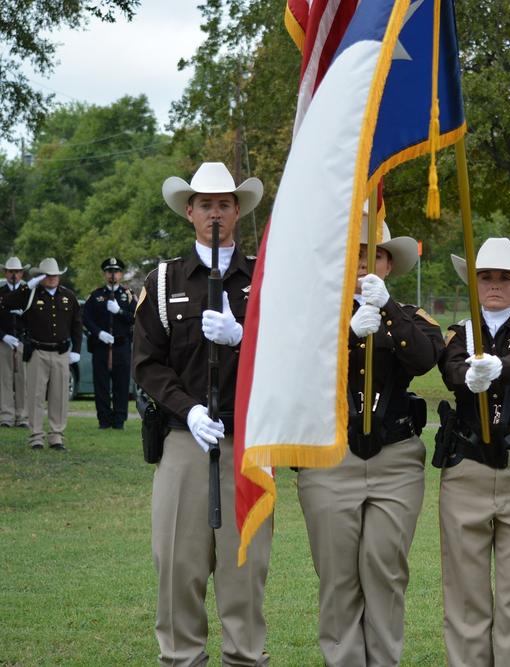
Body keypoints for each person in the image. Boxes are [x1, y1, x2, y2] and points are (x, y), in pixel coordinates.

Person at [132, 162, 272, 666]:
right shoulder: (163, 279)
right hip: (184, 441)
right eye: (205, 204)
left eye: (224, 204)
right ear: (189, 211)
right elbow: (147, 364)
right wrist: (188, 410)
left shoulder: (265, 277)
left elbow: (288, 354)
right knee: (177, 566)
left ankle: (245, 659)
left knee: (245, 571)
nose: (215, 213)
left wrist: (244, 338)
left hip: (247, 443)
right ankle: (181, 658)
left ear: (238, 211)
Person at [296, 212, 443, 667]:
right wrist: (344, 330)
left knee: (385, 569)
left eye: (372, 254)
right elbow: (299, 367)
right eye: (354, 254)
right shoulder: (313, 318)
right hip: (330, 457)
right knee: (338, 576)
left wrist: (388, 312)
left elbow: (423, 359)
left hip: (395, 461)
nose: (362, 263)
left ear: (387, 264)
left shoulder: (412, 316)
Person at [433, 237, 510, 665]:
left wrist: (501, 367)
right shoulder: (457, 334)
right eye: (486, 277)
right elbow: (450, 369)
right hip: (467, 470)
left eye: (505, 278)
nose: (495, 285)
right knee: (466, 594)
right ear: (473, 284)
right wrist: (469, 373)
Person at [1, 257, 82, 451]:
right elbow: (6, 302)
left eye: (55, 275)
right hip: (38, 351)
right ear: (41, 277)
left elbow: (77, 324)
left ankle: (56, 436)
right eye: (48, 275)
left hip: (61, 351)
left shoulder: (68, 296)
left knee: (59, 396)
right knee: (35, 395)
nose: (52, 278)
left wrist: (76, 350)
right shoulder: (30, 294)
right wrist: (27, 286)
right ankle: (36, 435)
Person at [82, 257, 136, 429]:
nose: (113, 275)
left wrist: (119, 311)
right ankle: (104, 420)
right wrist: (99, 333)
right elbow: (86, 318)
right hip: (101, 346)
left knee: (121, 384)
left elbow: (135, 317)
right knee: (102, 385)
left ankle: (119, 420)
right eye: (109, 272)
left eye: (116, 272)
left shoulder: (128, 296)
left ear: (121, 274)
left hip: (121, 346)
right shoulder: (96, 295)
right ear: (105, 274)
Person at [0, 256, 31, 427]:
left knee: (23, 379)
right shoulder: (1, 293)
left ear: (21, 273)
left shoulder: (28, 293)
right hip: (4, 340)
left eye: (17, 272)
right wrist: (3, 336)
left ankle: (22, 416)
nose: (14, 275)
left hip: (21, 340)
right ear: (5, 273)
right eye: (11, 271)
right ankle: (6, 416)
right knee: (4, 379)